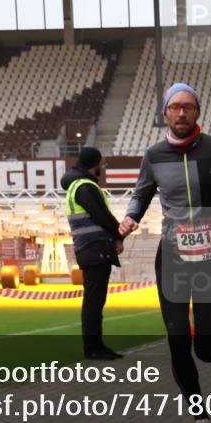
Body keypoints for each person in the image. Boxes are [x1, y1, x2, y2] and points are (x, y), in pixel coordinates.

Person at [119, 82, 211, 423]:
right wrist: (129, 218)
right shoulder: (154, 155)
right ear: (165, 112)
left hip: (210, 257)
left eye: (188, 106)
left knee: (205, 350)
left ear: (198, 111)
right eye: (175, 106)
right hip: (173, 256)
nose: (181, 112)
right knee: (178, 340)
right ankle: (199, 419)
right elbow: (141, 194)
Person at [61, 146, 125, 361]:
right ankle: (93, 348)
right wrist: (120, 233)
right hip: (94, 249)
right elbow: (102, 216)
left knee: (94, 302)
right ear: (95, 164)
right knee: (94, 302)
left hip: (90, 249)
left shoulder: (76, 186)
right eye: (102, 162)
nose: (104, 166)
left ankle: (96, 346)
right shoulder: (85, 187)